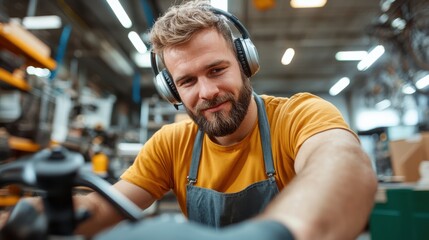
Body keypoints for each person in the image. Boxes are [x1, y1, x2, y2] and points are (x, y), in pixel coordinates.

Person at [2, 1, 378, 239]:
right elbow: (105, 207)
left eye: (216, 69)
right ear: (172, 92)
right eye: (187, 81)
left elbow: (343, 167)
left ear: (246, 65)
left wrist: (276, 232)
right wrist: (43, 217)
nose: (207, 91)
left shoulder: (298, 116)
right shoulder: (172, 144)